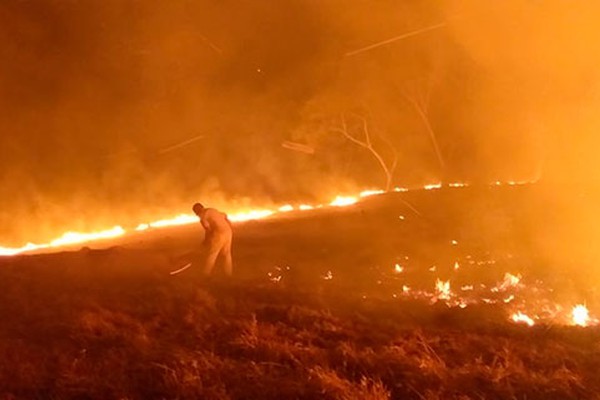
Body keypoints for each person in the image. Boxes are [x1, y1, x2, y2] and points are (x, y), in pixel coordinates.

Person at [192, 202, 233, 277]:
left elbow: (208, 230)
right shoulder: (212, 210)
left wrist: (206, 241)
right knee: (227, 254)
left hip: (219, 233)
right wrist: (229, 227)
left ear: (198, 210)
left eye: (196, 212)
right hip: (228, 231)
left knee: (212, 253)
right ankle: (228, 274)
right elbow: (225, 216)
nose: (197, 215)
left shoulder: (203, 216)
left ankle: (206, 274)